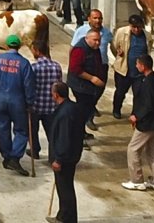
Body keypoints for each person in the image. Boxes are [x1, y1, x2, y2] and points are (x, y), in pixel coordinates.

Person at [122, 53, 154, 192]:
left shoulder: (147, 83)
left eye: (137, 64)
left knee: (133, 149)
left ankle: (137, 180)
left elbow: (148, 104)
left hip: (147, 124)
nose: (136, 66)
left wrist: (136, 116)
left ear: (143, 66)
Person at [0, 33, 30, 174]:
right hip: (18, 101)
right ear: (19, 46)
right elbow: (29, 86)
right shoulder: (24, 63)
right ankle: (14, 157)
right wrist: (30, 102)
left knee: (2, 128)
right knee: (21, 131)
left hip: (0, 99)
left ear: (6, 46)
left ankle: (6, 156)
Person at [48, 82, 87, 223]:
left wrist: (58, 159)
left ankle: (66, 218)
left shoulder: (65, 113)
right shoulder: (73, 108)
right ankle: (64, 216)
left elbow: (64, 138)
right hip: (72, 155)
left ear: (56, 95)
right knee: (66, 188)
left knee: (65, 190)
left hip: (65, 158)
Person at [111, 12, 148, 118]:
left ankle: (136, 114)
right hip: (123, 70)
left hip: (139, 73)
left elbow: (148, 51)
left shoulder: (147, 35)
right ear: (130, 25)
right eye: (134, 27)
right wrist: (119, 55)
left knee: (139, 94)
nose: (136, 29)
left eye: (138, 27)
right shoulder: (121, 32)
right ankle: (116, 109)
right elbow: (114, 46)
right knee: (120, 92)